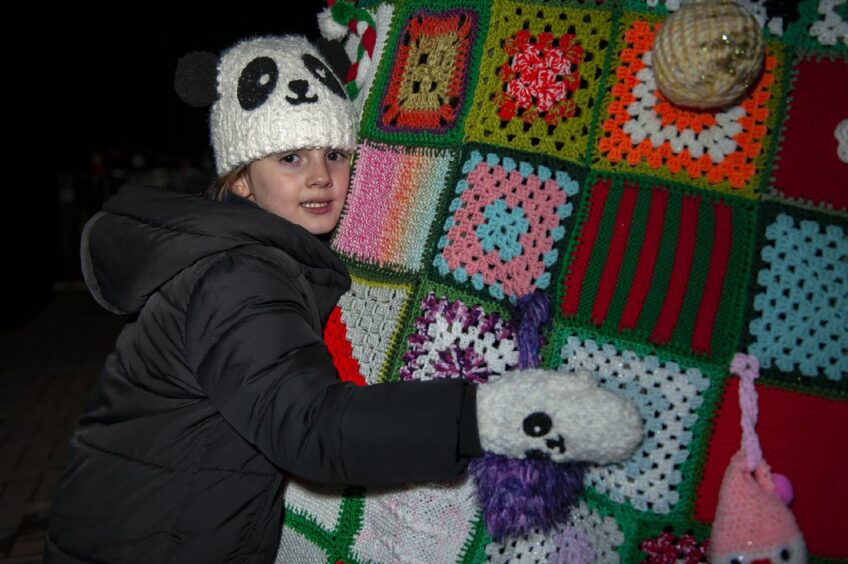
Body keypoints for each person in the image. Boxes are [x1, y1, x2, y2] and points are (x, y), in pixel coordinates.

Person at [45, 35, 644, 563]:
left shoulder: (255, 255)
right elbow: (311, 427)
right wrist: (488, 416)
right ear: (240, 179)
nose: (320, 177)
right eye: (290, 157)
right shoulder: (236, 275)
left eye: (333, 153)